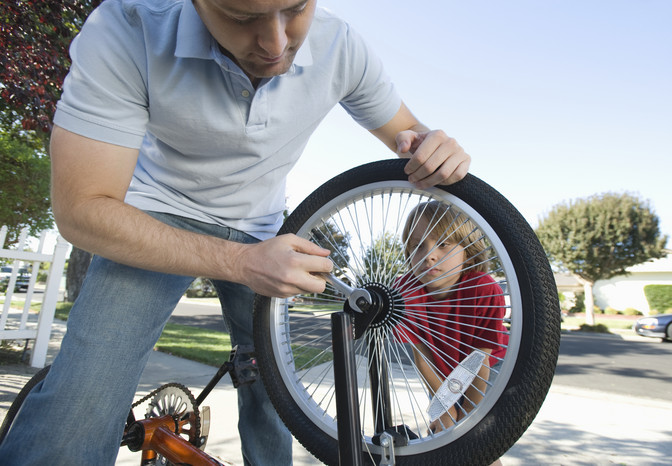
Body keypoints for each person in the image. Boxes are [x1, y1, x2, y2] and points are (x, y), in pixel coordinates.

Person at [0, 1, 471, 465]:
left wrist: (432, 147)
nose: (275, 43)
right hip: (155, 217)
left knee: (276, 398)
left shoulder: (340, 46)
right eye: (243, 18)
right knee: (81, 404)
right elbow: (81, 211)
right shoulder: (127, 28)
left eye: (295, 8)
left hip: (263, 227)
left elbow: (407, 132)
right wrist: (239, 262)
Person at [396, 201, 509, 440]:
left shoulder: (483, 289)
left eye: (443, 243)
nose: (429, 255)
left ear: (468, 249)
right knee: (445, 440)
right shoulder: (406, 292)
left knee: (477, 445)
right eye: (417, 246)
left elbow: (481, 358)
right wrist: (445, 410)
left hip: (487, 372)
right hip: (440, 376)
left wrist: (467, 420)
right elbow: (422, 354)